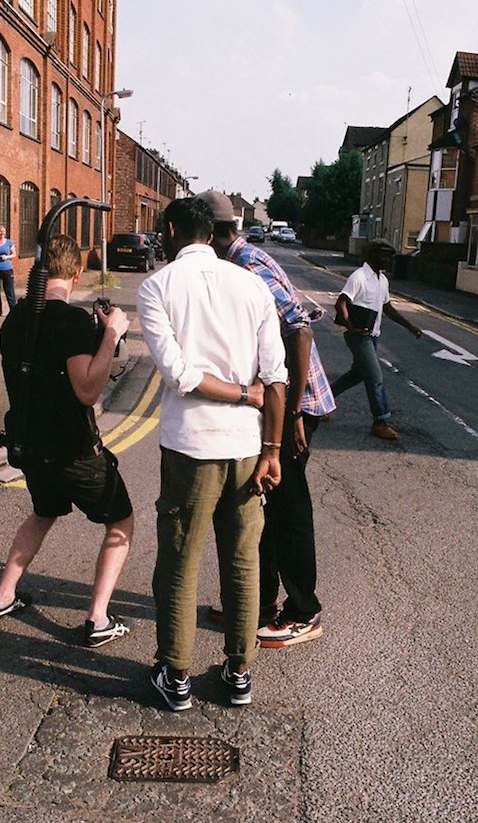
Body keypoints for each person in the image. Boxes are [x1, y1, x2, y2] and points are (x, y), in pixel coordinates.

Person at [138, 197, 286, 711]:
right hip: (248, 447)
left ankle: (175, 677)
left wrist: (244, 395)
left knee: (180, 559)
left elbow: (180, 375)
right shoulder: (250, 285)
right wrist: (273, 449)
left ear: (174, 230)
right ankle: (239, 673)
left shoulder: (157, 286)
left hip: (191, 448)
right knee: (243, 562)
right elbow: (277, 377)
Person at [196, 190, 336, 649]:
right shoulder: (236, 262)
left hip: (295, 404)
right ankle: (261, 602)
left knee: (290, 509)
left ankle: (304, 610)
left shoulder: (249, 266)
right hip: (278, 402)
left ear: (215, 234)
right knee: (268, 502)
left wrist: (293, 414)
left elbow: (301, 330)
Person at [0, 234, 134, 649]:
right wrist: (110, 335)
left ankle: (3, 597)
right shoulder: (72, 321)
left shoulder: (15, 319)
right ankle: (98, 619)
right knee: (121, 521)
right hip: (72, 449)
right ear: (75, 273)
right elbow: (87, 390)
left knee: (43, 512)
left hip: (28, 446)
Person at [330, 238, 422, 440]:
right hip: (359, 337)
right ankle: (380, 422)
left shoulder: (383, 280)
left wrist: (410, 327)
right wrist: (351, 328)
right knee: (375, 377)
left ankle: (322, 402)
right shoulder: (359, 276)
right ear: (372, 255)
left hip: (373, 336)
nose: (389, 260)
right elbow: (341, 304)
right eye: (385, 256)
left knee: (357, 374)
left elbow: (388, 308)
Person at [0, 224, 17, 317]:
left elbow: (14, 254)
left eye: (4, 231)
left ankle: (13, 310)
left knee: (9, 290)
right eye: (0, 231)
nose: (2, 233)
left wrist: (7, 257)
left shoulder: (9, 242)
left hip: (7, 269)